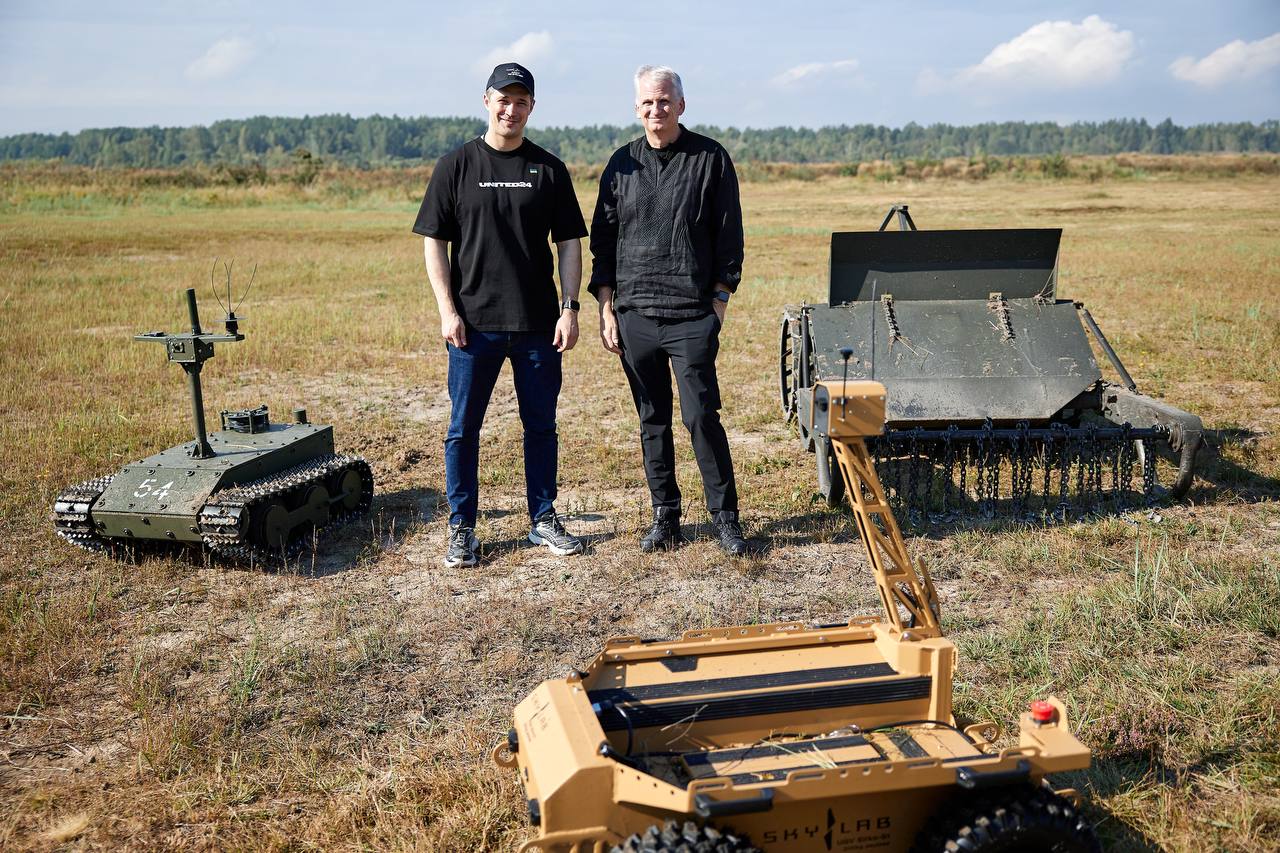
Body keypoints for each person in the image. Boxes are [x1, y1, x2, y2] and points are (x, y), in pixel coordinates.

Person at [413, 62, 587, 568]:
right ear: (487, 101)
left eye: (522, 101)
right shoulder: (456, 166)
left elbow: (570, 243)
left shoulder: (549, 169)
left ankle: (543, 519)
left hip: (537, 326)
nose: (512, 109)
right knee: (463, 428)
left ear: (532, 107)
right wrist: (448, 312)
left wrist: (569, 308)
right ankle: (462, 527)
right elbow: (434, 245)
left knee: (541, 425)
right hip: (473, 328)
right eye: (503, 99)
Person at [588, 65, 748, 556]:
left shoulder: (710, 159)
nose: (655, 110)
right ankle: (666, 515)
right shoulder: (621, 165)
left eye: (663, 101)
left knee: (701, 416)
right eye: (646, 103)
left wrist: (719, 302)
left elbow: (729, 235)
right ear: (636, 109)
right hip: (635, 313)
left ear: (680, 104)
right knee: (651, 417)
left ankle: (725, 518)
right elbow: (604, 243)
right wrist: (607, 308)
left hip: (691, 313)